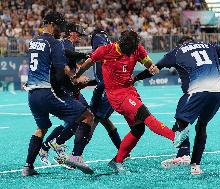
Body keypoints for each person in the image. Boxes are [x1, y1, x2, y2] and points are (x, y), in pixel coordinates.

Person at [70, 30, 189, 173]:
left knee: (138, 129)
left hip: (130, 91)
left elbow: (147, 62)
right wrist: (77, 75)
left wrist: (151, 66)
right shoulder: (105, 50)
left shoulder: (136, 48)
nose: (130, 53)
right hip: (116, 95)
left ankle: (117, 161)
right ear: (121, 44)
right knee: (145, 115)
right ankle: (174, 137)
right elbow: (87, 63)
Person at [134, 36, 220, 175]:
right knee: (201, 126)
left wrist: (135, 78)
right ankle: (195, 166)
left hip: (198, 91)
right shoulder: (210, 46)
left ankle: (184, 154)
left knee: (180, 119)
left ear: (181, 43)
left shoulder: (177, 51)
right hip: (218, 92)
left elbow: (153, 70)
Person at [22, 11, 94, 176]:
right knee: (87, 116)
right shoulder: (53, 43)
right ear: (52, 25)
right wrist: (74, 81)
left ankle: (28, 167)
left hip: (32, 95)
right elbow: (62, 68)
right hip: (48, 92)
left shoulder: (34, 41)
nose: (61, 31)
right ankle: (76, 157)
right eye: (60, 27)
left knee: (41, 128)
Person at [37, 22, 92, 169]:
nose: (80, 37)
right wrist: (76, 77)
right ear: (72, 33)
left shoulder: (67, 44)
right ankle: (53, 146)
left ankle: (51, 147)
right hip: (65, 89)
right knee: (79, 118)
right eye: (79, 34)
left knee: (76, 119)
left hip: (67, 88)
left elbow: (71, 63)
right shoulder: (66, 44)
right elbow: (64, 64)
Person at [87, 29, 124, 152]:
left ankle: (77, 154)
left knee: (93, 119)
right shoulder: (111, 46)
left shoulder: (98, 38)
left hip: (108, 89)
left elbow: (102, 50)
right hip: (111, 87)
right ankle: (122, 149)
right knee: (104, 119)